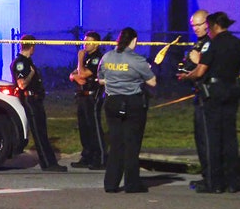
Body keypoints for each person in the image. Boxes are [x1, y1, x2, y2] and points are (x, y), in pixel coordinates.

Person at [179, 12, 240, 193]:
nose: (207, 30)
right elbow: (239, 66)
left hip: (213, 94)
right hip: (233, 91)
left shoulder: (212, 44)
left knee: (211, 139)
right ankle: (231, 181)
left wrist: (187, 75)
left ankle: (213, 183)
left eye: (208, 26)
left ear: (215, 26)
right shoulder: (239, 44)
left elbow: (200, 71)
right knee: (230, 138)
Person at [97, 27, 157, 193]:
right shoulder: (137, 60)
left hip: (112, 102)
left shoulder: (107, 56)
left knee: (116, 144)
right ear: (134, 41)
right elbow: (152, 82)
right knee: (131, 144)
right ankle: (131, 184)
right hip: (132, 103)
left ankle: (111, 183)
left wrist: (115, 80)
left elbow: (101, 79)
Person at [11, 35, 68, 172]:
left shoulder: (27, 61)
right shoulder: (21, 63)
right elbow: (22, 84)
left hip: (36, 100)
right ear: (31, 47)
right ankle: (48, 164)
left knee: (42, 132)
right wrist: (31, 74)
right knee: (39, 133)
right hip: (30, 100)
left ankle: (50, 162)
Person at [180, 10, 212, 190]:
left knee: (207, 138)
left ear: (207, 23)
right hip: (199, 93)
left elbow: (209, 66)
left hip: (208, 95)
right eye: (193, 26)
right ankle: (205, 174)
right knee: (200, 138)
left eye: (199, 25)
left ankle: (210, 177)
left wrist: (197, 59)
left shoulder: (210, 42)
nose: (196, 28)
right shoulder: (199, 42)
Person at [69, 31, 107, 170]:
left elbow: (83, 73)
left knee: (94, 127)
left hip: (93, 96)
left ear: (96, 43)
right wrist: (75, 76)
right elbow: (73, 74)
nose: (85, 44)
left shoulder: (97, 58)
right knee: (84, 128)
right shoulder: (87, 58)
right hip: (82, 95)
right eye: (84, 41)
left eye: (89, 41)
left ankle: (100, 158)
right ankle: (87, 156)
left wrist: (79, 60)